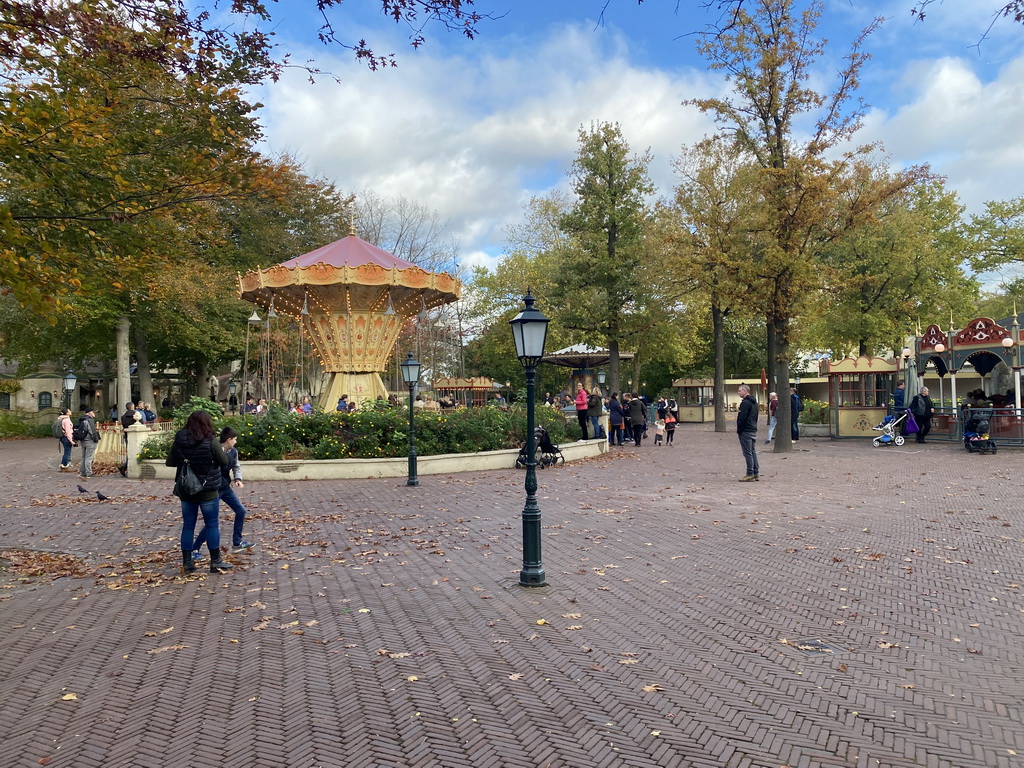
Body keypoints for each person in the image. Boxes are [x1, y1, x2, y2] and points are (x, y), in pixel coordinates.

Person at [166, 410, 232, 574]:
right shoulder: (211, 440)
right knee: (212, 525)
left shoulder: (180, 438)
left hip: (186, 489)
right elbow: (224, 461)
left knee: (188, 526)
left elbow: (170, 461)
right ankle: (215, 561)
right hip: (207, 489)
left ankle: (187, 563)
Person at [192, 426, 253, 561]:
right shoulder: (215, 450)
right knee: (211, 522)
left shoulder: (234, 452)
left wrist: (238, 479)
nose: (236, 442)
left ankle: (237, 543)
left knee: (241, 511)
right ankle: (194, 549)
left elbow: (236, 466)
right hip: (213, 490)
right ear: (229, 439)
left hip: (225, 488)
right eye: (235, 439)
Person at [737, 384, 759, 481]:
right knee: (752, 451)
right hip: (753, 428)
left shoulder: (745, 403)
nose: (738, 393)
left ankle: (750, 473)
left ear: (745, 391)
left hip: (746, 430)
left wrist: (739, 429)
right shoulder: (754, 403)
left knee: (747, 452)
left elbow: (742, 418)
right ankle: (756, 472)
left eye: (739, 391)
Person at [77, 405, 101, 479]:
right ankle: (89, 473)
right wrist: (96, 439)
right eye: (93, 412)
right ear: (89, 413)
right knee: (89, 457)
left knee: (84, 457)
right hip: (89, 441)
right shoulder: (89, 420)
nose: (94, 414)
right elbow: (92, 431)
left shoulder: (81, 419)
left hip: (83, 440)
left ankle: (82, 472)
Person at [117, 402, 136, 477]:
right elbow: (141, 423)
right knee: (135, 452)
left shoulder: (123, 417)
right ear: (132, 407)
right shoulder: (136, 415)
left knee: (130, 452)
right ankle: (124, 467)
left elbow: (124, 426)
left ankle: (124, 467)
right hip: (135, 435)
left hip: (127, 435)